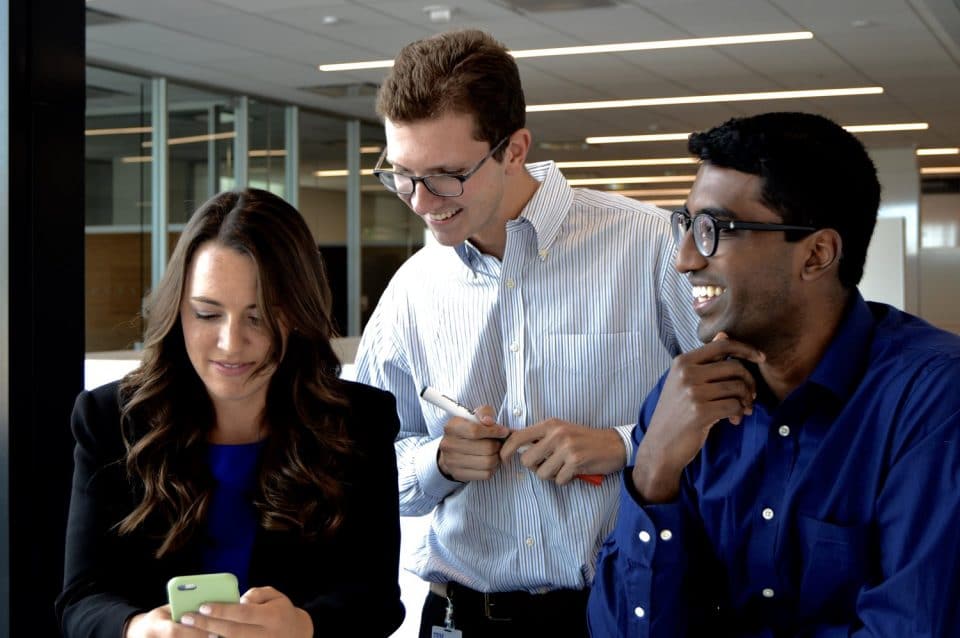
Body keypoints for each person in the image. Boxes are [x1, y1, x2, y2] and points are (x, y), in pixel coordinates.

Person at [355, 29, 700, 637]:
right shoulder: (412, 288)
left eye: (445, 175)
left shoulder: (649, 245)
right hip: (459, 614)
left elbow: (745, 411)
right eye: (401, 174)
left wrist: (626, 444)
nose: (419, 201)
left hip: (618, 610)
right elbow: (361, 469)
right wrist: (436, 460)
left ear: (514, 149)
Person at [587, 112, 960, 637]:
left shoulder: (932, 400)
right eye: (686, 224)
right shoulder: (682, 401)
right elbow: (620, 630)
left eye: (715, 229)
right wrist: (652, 473)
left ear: (817, 254)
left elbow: (912, 626)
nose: (684, 259)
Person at [56, 189, 405, 637]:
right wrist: (136, 629)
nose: (230, 343)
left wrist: (304, 626)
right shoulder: (109, 419)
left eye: (258, 317)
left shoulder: (358, 420)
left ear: (297, 315)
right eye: (207, 314)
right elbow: (80, 599)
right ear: (177, 310)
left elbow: (377, 599)